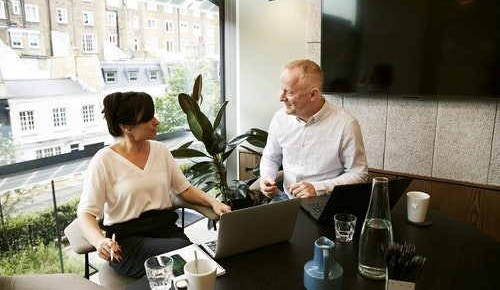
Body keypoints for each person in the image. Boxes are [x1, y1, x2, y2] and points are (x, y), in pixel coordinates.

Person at [77, 91, 230, 278]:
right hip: (129, 243)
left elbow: (184, 189)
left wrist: (214, 202)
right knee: (188, 257)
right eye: (148, 118)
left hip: (166, 230)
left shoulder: (160, 151)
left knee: (201, 266)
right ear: (126, 126)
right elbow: (86, 213)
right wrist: (99, 241)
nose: (156, 121)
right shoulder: (104, 160)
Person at [259, 59, 369, 201]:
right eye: (282, 90)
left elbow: (359, 174)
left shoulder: (346, 124)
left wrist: (318, 188)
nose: (281, 98)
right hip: (284, 199)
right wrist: (267, 177)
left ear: (313, 94)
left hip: (326, 202)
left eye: (289, 93)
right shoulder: (279, 119)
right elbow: (271, 157)